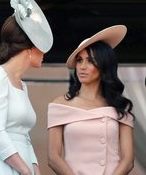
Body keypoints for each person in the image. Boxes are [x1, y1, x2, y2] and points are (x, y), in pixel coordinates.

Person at [0, 0, 53, 175]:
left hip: (22, 164)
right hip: (0, 164)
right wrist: (24, 170)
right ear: (30, 48)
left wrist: (34, 168)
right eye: (41, 46)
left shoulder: (21, 85)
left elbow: (24, 135)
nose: (45, 54)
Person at [47, 25, 134, 175]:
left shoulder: (120, 106)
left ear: (104, 66)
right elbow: (53, 158)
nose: (82, 67)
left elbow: (128, 160)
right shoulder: (60, 105)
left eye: (90, 61)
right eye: (80, 60)